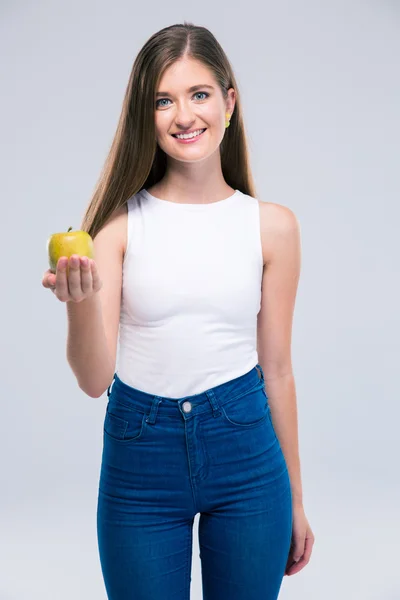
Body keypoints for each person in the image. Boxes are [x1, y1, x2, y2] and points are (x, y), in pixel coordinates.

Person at [42, 21, 314, 600]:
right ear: (146, 114)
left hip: (247, 455)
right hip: (141, 462)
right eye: (163, 100)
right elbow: (94, 381)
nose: (183, 115)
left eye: (199, 94)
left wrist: (295, 497)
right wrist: (78, 304)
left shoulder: (272, 228)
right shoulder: (116, 228)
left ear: (229, 101)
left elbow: (279, 372)